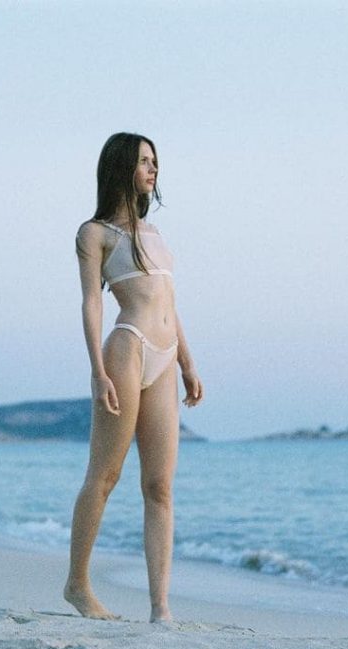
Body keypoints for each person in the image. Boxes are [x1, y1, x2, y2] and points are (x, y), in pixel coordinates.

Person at [64, 132, 204, 622]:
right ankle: (77, 585)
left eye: (154, 161)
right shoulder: (95, 233)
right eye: (144, 161)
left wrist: (187, 362)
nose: (153, 169)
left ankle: (160, 607)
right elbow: (92, 302)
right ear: (122, 166)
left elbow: (170, 304)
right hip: (127, 351)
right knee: (105, 476)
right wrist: (97, 370)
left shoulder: (155, 234)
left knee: (160, 486)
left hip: (165, 358)